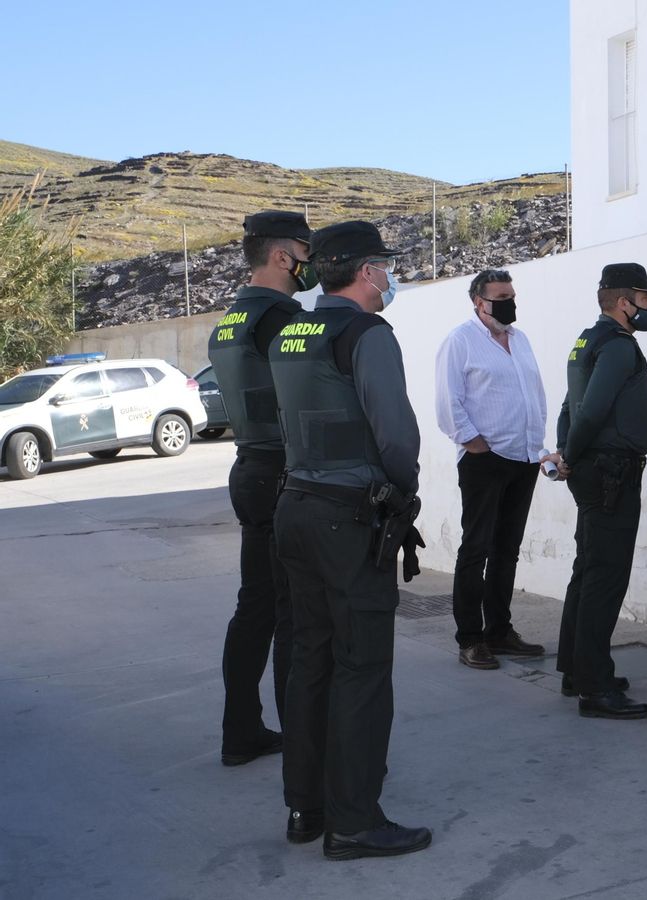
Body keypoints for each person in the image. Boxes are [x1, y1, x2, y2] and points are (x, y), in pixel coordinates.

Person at [270, 220, 430, 860]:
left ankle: (306, 808)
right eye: (384, 268)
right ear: (365, 272)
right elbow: (395, 433)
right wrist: (404, 491)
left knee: (311, 659)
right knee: (362, 667)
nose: (388, 278)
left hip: (296, 507)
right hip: (347, 517)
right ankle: (355, 821)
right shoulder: (367, 333)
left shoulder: (291, 330)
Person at [208, 210, 314, 767]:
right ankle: (305, 747)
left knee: (255, 610)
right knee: (293, 614)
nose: (311, 262)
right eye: (305, 251)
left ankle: (241, 731)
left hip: (249, 466)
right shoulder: (280, 317)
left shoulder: (231, 317)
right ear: (282, 257)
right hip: (282, 473)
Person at [548, 262, 647, 720]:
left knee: (588, 568)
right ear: (624, 302)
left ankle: (578, 670)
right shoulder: (617, 345)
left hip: (592, 469)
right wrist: (572, 455)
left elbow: (568, 405)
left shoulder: (586, 340)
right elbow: (592, 410)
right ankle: (595, 688)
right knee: (605, 577)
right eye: (646, 298)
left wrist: (566, 450)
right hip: (610, 469)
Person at [434, 268, 550, 670]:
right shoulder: (460, 341)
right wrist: (475, 444)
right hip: (485, 460)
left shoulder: (521, 340)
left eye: (512, 295)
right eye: (501, 296)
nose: (509, 302)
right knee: (476, 549)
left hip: (524, 459)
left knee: (507, 550)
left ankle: (500, 631)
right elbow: (448, 404)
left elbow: (534, 394)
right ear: (479, 302)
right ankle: (470, 639)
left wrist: (538, 447)